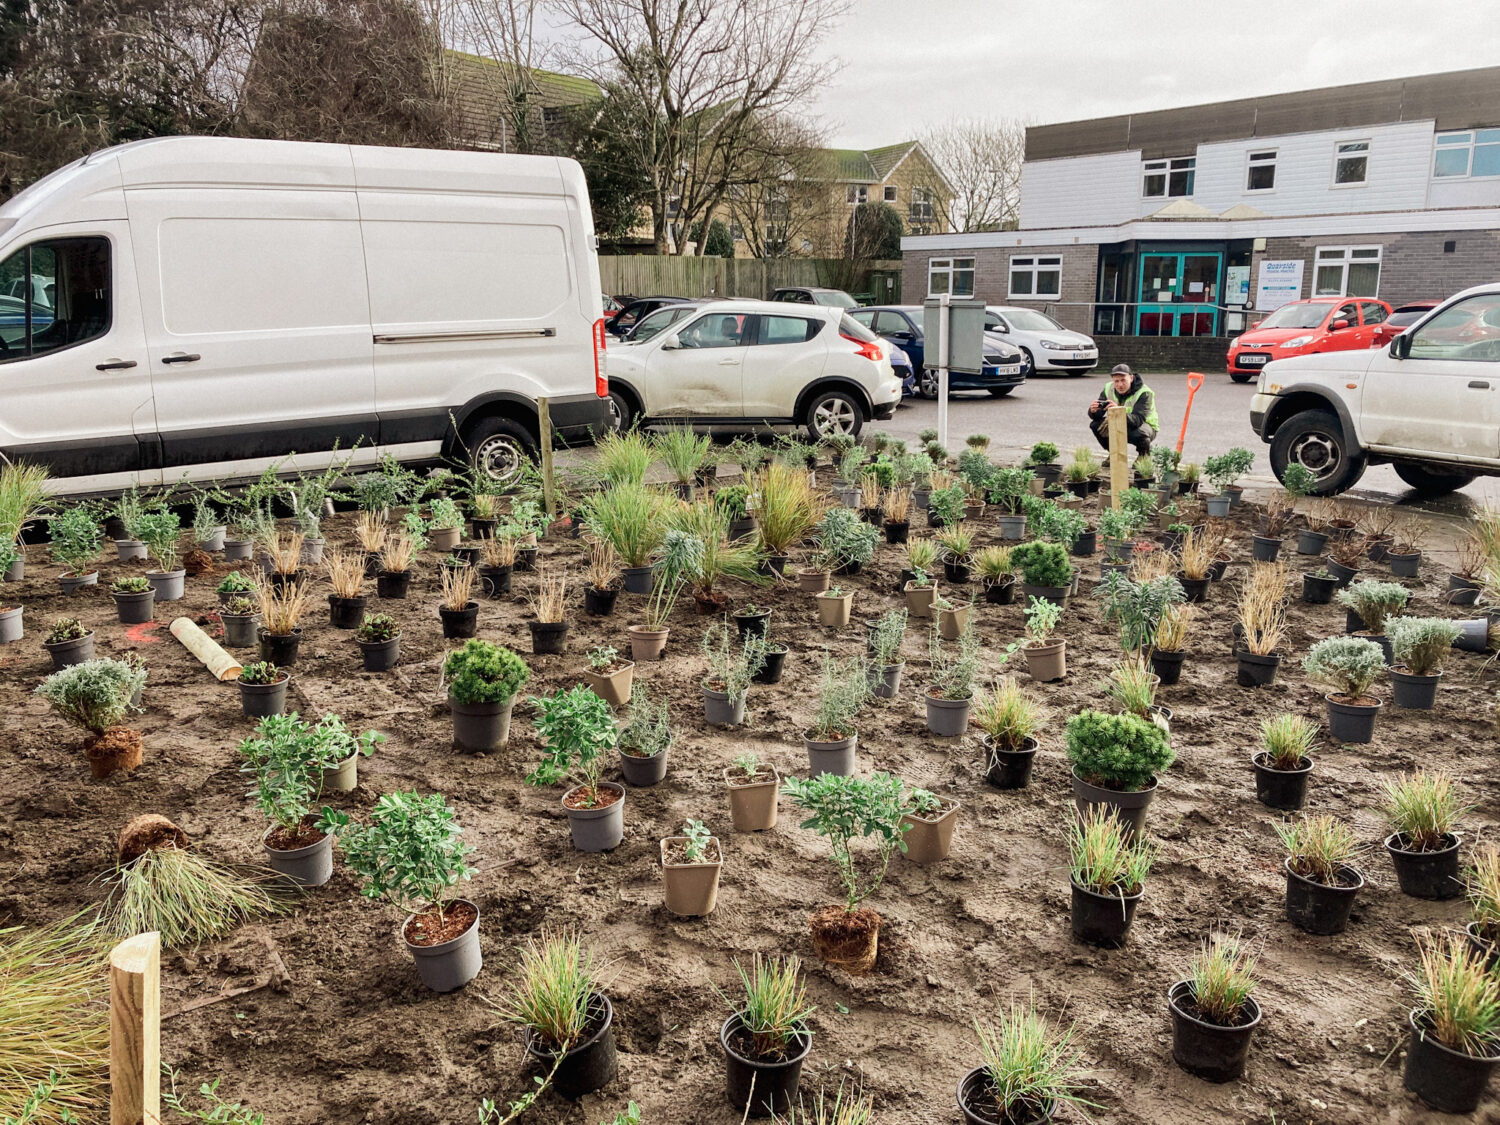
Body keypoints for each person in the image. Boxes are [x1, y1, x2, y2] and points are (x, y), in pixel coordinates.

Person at [1087, 364, 1158, 455]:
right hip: (1122, 421)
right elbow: (1098, 415)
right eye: (1116, 381)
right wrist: (1093, 411)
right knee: (1096, 426)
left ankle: (1143, 455)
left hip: (1146, 425)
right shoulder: (1109, 388)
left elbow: (1138, 420)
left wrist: (1118, 411)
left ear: (1131, 378)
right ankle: (1114, 453)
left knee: (1140, 434)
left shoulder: (1144, 392)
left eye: (1123, 380)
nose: (1120, 385)